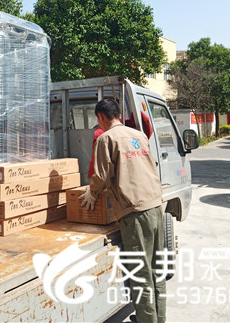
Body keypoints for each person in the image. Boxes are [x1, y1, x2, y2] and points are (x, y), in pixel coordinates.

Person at [79, 99, 165, 323]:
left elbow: (101, 176)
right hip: (155, 204)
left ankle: (147, 320)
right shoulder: (139, 135)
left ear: (101, 117)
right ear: (118, 114)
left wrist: (92, 193)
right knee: (156, 267)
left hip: (134, 210)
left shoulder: (106, 139)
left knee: (140, 270)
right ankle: (159, 317)